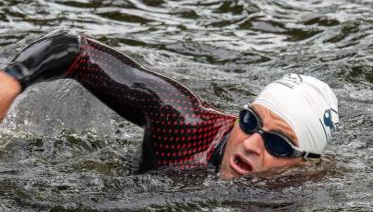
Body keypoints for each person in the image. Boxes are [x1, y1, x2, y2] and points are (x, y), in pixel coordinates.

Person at [0, 30, 339, 179]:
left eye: (277, 144)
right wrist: (12, 79)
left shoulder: (299, 192)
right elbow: (76, 51)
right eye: (250, 122)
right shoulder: (184, 124)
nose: (251, 144)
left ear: (303, 163)